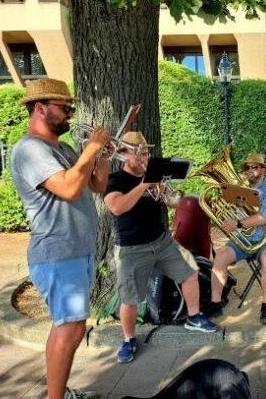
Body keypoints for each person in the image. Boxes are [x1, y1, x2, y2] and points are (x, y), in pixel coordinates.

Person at [10, 78, 111, 399]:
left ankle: (60, 392)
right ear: (40, 108)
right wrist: (91, 148)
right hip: (57, 252)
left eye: (70, 108)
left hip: (75, 251)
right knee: (72, 329)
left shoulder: (62, 148)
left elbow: (95, 185)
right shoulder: (29, 149)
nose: (70, 114)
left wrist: (104, 155)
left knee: (67, 327)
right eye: (64, 108)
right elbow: (67, 188)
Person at [103, 131, 218, 364]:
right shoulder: (115, 180)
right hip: (131, 248)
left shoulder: (152, 175)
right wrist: (145, 185)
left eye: (146, 153)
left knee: (190, 270)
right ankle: (128, 339)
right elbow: (116, 207)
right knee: (130, 298)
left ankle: (194, 317)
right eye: (138, 154)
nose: (144, 159)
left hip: (162, 241)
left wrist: (168, 193)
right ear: (123, 154)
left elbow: (172, 202)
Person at [206, 153, 266, 325]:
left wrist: (239, 223)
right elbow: (227, 212)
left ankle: (265, 305)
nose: (250, 171)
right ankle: (216, 302)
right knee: (220, 256)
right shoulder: (239, 190)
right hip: (244, 239)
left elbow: (265, 217)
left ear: (263, 169)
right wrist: (220, 202)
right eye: (248, 168)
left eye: (254, 167)